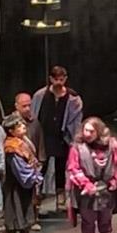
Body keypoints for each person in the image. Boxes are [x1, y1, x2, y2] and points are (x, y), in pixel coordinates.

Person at [66, 117, 117, 233]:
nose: (87, 134)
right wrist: (86, 184)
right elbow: (73, 168)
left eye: (91, 131)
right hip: (86, 192)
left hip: (106, 191)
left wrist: (114, 181)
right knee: (88, 220)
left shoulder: (112, 145)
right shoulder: (77, 147)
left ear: (99, 132)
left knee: (106, 219)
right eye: (86, 130)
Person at [32, 66, 84, 210]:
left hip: (62, 139)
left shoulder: (73, 98)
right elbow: (34, 116)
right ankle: (37, 197)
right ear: (51, 79)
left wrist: (74, 139)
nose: (59, 83)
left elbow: (76, 121)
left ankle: (61, 199)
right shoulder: (40, 96)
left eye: (62, 79)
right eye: (56, 79)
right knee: (41, 167)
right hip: (44, 139)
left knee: (61, 168)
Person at [1, 114, 45, 233]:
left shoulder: (22, 141)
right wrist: (34, 177)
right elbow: (20, 169)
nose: (23, 127)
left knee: (26, 211)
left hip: (25, 186)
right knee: (14, 215)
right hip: (15, 186)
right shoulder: (11, 148)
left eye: (22, 124)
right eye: (19, 126)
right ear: (11, 131)